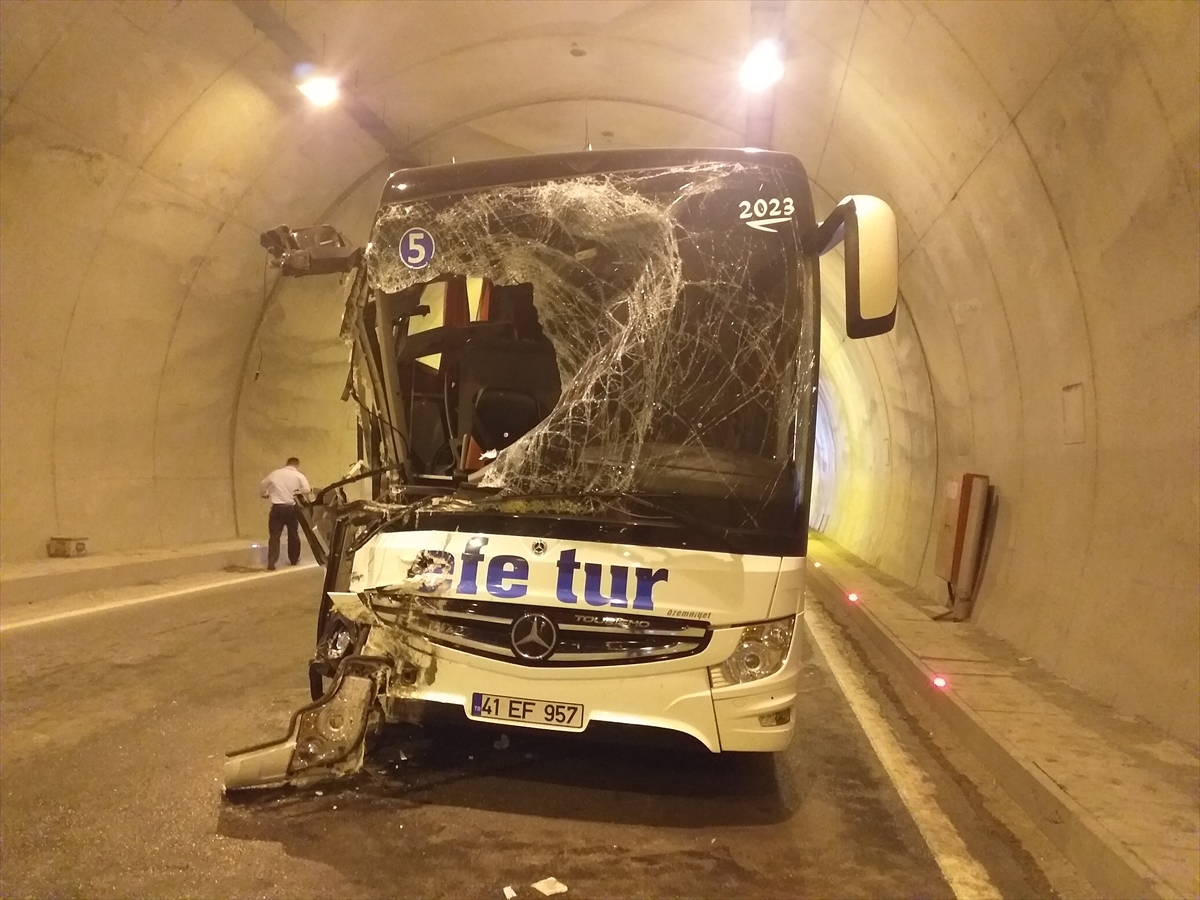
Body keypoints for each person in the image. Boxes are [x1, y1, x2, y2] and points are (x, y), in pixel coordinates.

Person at [259, 457, 311, 570]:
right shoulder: (299, 476)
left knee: (274, 536)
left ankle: (272, 562)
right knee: (293, 534)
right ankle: (294, 559)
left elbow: (263, 484)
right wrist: (300, 496)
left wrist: (265, 494)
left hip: (277, 508)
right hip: (292, 508)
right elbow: (307, 490)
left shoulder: (275, 473)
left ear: (287, 463)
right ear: (297, 465)